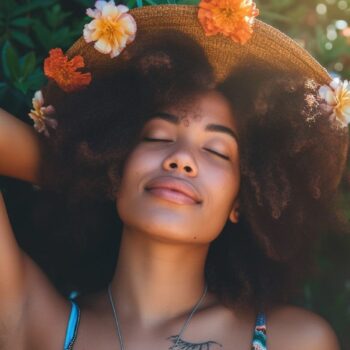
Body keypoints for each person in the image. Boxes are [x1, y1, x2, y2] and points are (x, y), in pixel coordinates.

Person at [0, 1, 349, 349]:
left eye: (216, 151)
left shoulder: (296, 341)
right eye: (157, 137)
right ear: (114, 157)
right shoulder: (33, 321)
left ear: (242, 201)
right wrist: (83, 173)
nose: (181, 158)